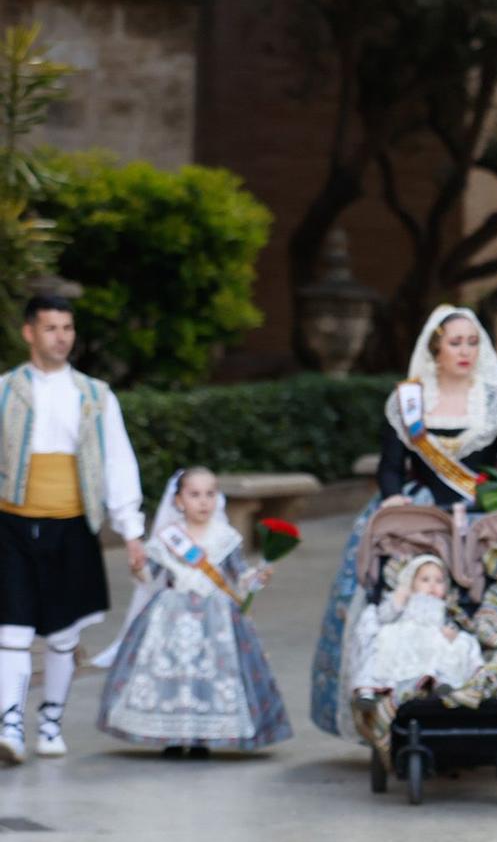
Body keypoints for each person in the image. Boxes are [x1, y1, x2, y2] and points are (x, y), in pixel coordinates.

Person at [308, 305, 497, 741]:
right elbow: (391, 467)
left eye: (472, 342)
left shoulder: (496, 400)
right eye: (455, 342)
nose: (465, 351)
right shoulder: (408, 401)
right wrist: (392, 498)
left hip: (480, 510)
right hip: (422, 511)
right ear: (436, 349)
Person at [0, 294, 146, 763]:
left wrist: (132, 530)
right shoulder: (3, 390)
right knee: (12, 631)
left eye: (67, 328)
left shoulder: (96, 396)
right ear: (29, 333)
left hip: (71, 524)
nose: (61, 337)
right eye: (50, 328)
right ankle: (10, 724)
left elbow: (117, 462)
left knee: (63, 635)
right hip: (11, 524)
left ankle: (50, 722)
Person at [95, 468, 289, 756]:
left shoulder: (226, 538)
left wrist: (257, 577)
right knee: (173, 673)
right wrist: (139, 568)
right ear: (178, 501)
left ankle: (202, 738)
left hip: (217, 618)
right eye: (194, 494)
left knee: (211, 674)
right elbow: (151, 579)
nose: (203, 502)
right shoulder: (168, 539)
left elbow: (239, 577)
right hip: (171, 613)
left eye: (210, 494)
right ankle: (172, 737)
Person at [348, 554, 484, 759]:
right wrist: (398, 599)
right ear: (412, 583)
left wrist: (451, 634)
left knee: (456, 646)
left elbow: (451, 625)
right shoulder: (406, 599)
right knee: (380, 645)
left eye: (439, 581)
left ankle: (440, 681)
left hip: (431, 639)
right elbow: (384, 617)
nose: (432, 586)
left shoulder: (445, 607)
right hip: (405, 635)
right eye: (425, 579)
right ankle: (368, 690)